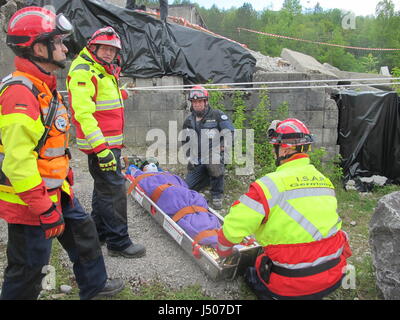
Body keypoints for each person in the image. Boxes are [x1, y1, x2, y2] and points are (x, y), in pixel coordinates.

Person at [0, 6, 124, 300]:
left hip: (57, 190)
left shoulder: (44, 86)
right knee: (29, 268)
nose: (64, 47)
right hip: (31, 202)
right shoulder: (20, 93)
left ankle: (94, 286)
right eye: (57, 42)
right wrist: (43, 209)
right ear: (38, 47)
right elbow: (18, 163)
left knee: (84, 235)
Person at [217, 118, 352, 300]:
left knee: (251, 272)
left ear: (285, 149)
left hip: (292, 285)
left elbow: (230, 231)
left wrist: (223, 252)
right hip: (335, 275)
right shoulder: (324, 181)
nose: (275, 153)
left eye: (276, 148)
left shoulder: (267, 187)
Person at [66, 26, 146, 259]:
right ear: (94, 46)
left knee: (103, 190)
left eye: (113, 49)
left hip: (108, 145)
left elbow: (100, 98)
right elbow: (83, 113)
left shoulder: (100, 68)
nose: (110, 53)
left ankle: (99, 233)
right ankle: (119, 242)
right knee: (114, 192)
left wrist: (124, 94)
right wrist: (102, 150)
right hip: (102, 146)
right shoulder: (84, 70)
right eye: (106, 48)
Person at [182, 85, 235, 210]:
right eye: (194, 102)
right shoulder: (189, 120)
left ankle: (217, 194)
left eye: (200, 101)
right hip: (199, 159)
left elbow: (230, 133)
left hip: (215, 156)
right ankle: (208, 177)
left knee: (213, 162)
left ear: (206, 101)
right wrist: (189, 157)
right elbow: (185, 140)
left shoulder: (217, 115)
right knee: (187, 186)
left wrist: (221, 148)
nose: (197, 104)